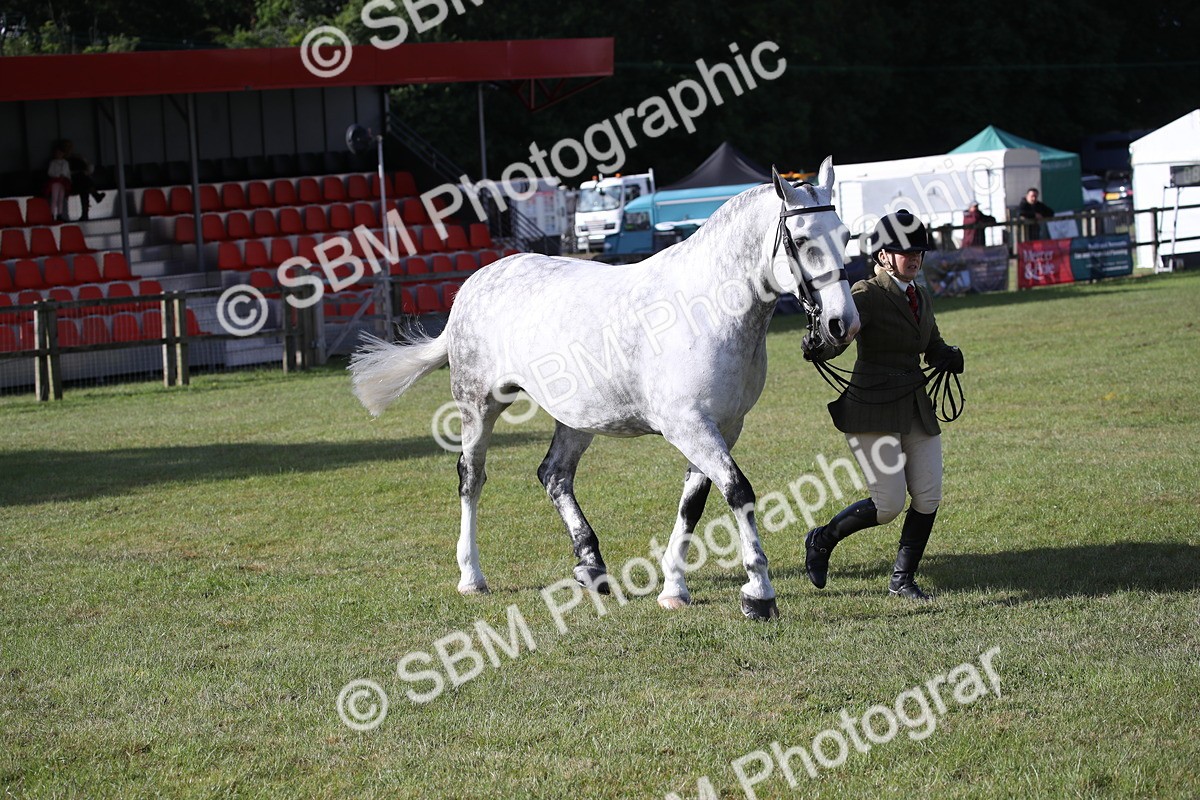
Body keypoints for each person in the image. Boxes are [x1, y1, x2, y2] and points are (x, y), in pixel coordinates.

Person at [800, 209, 964, 601]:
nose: (914, 258)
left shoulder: (920, 296)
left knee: (928, 496)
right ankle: (822, 539)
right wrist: (819, 348)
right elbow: (841, 333)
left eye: (919, 252)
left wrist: (948, 354)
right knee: (888, 504)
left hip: (914, 407)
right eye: (904, 252)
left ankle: (902, 579)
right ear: (883, 255)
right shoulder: (865, 293)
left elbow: (931, 343)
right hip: (872, 407)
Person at [62, 140, 105, 221]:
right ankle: (95, 195)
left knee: (84, 187)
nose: (68, 149)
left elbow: (89, 168)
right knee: (83, 180)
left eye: (70, 147)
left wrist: (83, 162)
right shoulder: (61, 160)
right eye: (66, 147)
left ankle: (85, 214)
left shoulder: (76, 157)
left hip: (80, 182)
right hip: (70, 183)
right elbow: (64, 173)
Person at [46, 145, 72, 222]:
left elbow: (67, 172)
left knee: (61, 198)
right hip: (55, 181)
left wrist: (68, 179)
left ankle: (59, 214)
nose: (59, 154)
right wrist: (58, 175)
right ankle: (52, 214)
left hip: (63, 181)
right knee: (54, 198)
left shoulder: (65, 163)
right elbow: (50, 172)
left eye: (60, 153)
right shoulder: (53, 162)